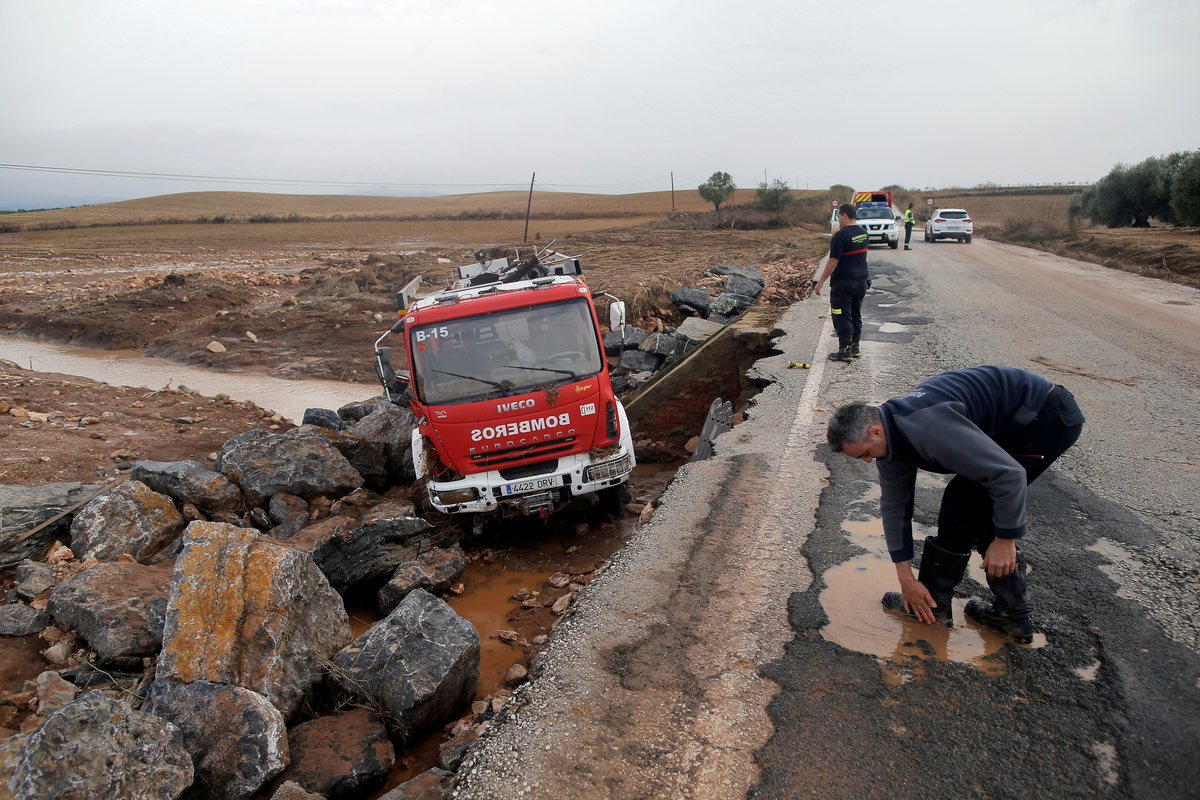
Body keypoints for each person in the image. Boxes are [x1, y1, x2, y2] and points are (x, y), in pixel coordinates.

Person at [826, 366, 1085, 643]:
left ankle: (947, 607)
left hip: (1043, 417)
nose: (868, 461)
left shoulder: (928, 428)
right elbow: (894, 507)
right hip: (1013, 421)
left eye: (866, 454)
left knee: (965, 504)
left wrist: (1005, 540)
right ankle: (1005, 615)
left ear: (876, 432)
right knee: (977, 506)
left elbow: (1009, 475)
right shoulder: (890, 445)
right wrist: (906, 579)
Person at [814, 205, 869, 362]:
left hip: (844, 284)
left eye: (838, 216)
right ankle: (855, 348)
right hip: (860, 282)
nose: (838, 220)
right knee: (855, 313)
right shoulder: (863, 233)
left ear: (845, 216)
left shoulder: (841, 236)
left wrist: (821, 281)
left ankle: (844, 351)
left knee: (841, 315)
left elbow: (833, 261)